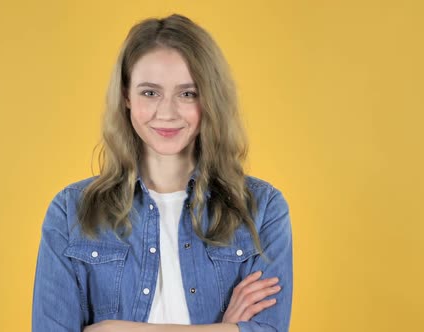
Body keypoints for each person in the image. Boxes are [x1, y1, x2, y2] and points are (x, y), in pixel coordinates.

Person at [32, 13, 293, 332]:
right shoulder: (71, 211)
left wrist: (110, 328)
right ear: (126, 96)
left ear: (209, 98)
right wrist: (225, 329)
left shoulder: (262, 209)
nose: (166, 112)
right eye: (149, 92)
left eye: (187, 93)